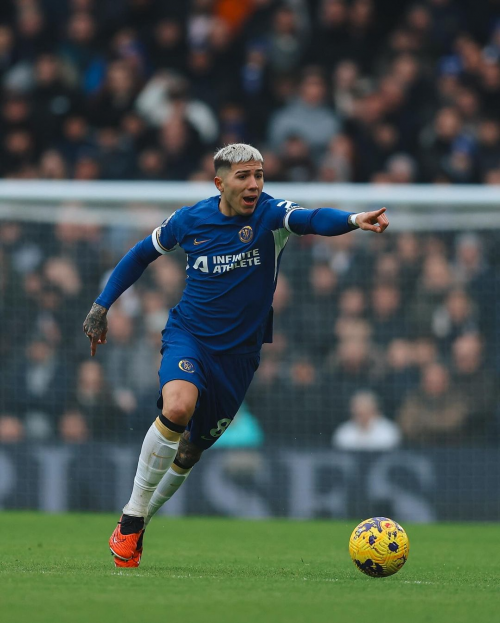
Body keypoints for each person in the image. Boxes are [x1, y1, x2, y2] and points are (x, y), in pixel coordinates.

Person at [82, 143, 389, 568]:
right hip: (189, 336)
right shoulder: (190, 220)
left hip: (239, 357)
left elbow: (312, 219)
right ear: (220, 183)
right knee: (178, 406)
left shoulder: (271, 215)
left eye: (259, 175)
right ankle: (131, 516)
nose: (253, 184)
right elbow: (141, 254)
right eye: (243, 176)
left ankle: (138, 524)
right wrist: (101, 306)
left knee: (190, 452)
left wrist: (354, 220)